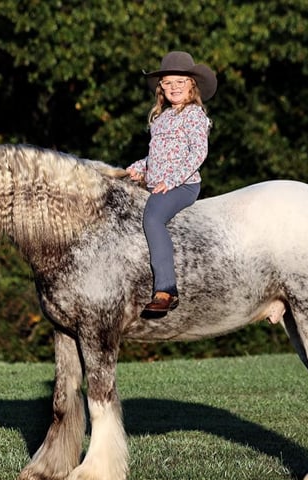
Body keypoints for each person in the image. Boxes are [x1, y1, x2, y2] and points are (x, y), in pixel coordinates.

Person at [126, 51, 217, 317]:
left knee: (153, 218)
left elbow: (198, 153)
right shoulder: (160, 119)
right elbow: (156, 157)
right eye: (167, 83)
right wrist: (138, 168)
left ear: (192, 85)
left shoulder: (194, 116)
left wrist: (173, 180)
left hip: (184, 185)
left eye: (180, 82)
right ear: (161, 88)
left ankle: (166, 289)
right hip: (159, 183)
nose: (174, 88)